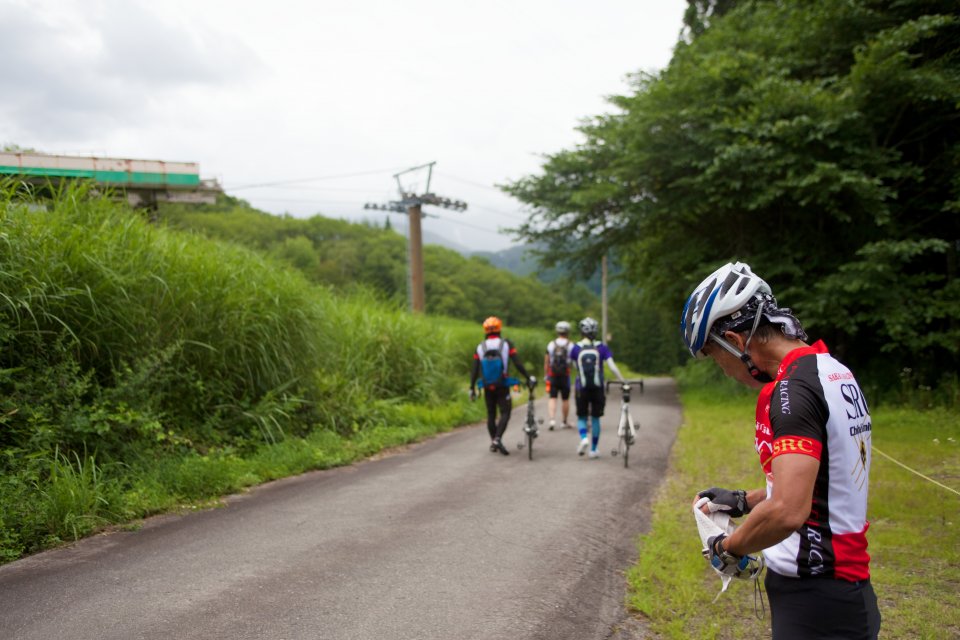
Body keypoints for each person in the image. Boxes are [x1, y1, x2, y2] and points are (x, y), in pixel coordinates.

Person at [681, 262, 880, 639]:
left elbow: (789, 510)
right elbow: (824, 483)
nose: (722, 370)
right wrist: (744, 500)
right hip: (839, 591)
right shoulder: (830, 369)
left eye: (714, 356)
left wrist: (726, 547)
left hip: (816, 597)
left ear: (736, 343)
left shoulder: (790, 392)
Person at [470, 316, 536, 455]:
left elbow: (475, 369)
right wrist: (527, 377)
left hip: (487, 385)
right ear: (499, 329)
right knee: (505, 412)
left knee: (491, 414)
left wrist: (472, 387)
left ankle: (494, 441)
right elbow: (517, 363)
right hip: (502, 384)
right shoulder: (506, 344)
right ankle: (497, 439)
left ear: (485, 330)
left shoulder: (480, 347)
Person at [569, 317, 625, 458]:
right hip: (598, 387)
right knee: (595, 418)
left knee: (581, 417)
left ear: (581, 331)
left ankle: (584, 438)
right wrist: (623, 381)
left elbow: (573, 366)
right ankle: (593, 449)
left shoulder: (575, 348)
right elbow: (612, 367)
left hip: (581, 387)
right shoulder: (602, 347)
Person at [544, 320, 573, 430]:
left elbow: (547, 361)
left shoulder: (551, 344)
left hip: (553, 375)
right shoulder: (570, 345)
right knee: (565, 399)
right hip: (565, 376)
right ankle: (564, 421)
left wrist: (546, 374)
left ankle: (552, 420)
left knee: (552, 397)